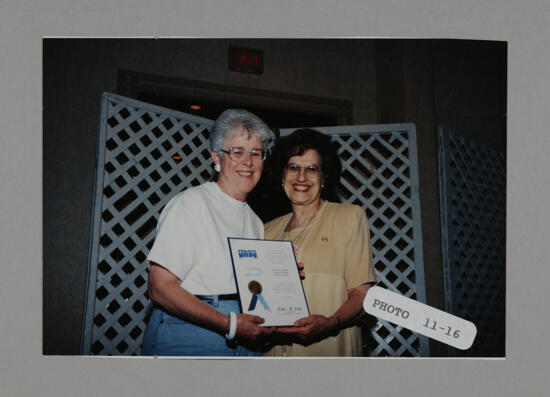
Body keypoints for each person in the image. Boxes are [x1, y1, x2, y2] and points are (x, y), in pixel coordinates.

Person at [141, 109, 275, 356]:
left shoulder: (255, 222)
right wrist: (229, 323)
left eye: (255, 153)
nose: (248, 162)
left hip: (242, 336)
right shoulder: (191, 204)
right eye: (237, 152)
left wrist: (279, 273)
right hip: (188, 333)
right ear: (216, 157)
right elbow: (159, 287)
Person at [263, 128, 377, 357]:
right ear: (283, 175)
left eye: (312, 169)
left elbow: (362, 295)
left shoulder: (349, 217)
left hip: (329, 351)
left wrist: (331, 323)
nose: (301, 177)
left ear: (324, 177)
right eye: (294, 167)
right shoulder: (266, 230)